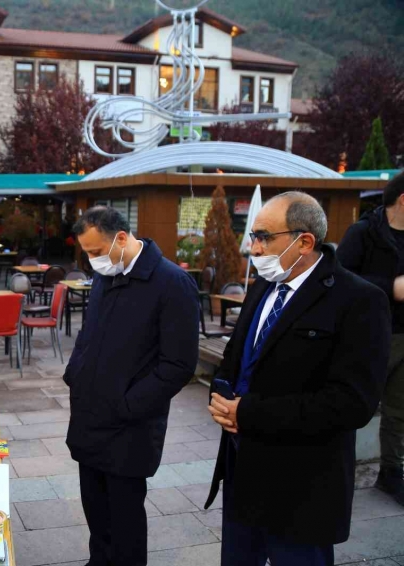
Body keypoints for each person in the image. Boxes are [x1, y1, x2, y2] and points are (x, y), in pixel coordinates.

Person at [205, 192, 390, 566]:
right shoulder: (262, 287)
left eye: (263, 236)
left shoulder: (359, 300)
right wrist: (220, 397)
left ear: (304, 241)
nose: (253, 248)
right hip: (242, 473)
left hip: (303, 488)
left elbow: (353, 403)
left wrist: (251, 414)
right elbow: (234, 357)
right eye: (253, 236)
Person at [64, 206, 199, 566]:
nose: (92, 261)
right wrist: (74, 375)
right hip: (90, 417)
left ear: (121, 238)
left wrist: (128, 404)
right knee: (96, 515)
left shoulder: (173, 283)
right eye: (87, 253)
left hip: (129, 427)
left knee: (124, 522)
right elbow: (89, 335)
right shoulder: (109, 274)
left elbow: (179, 365)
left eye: (95, 252)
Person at [338, 171, 404, 507]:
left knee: (400, 411)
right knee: (353, 405)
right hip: (370, 336)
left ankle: (392, 474)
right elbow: (340, 280)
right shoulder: (364, 232)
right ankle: (336, 472)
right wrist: (390, 287)